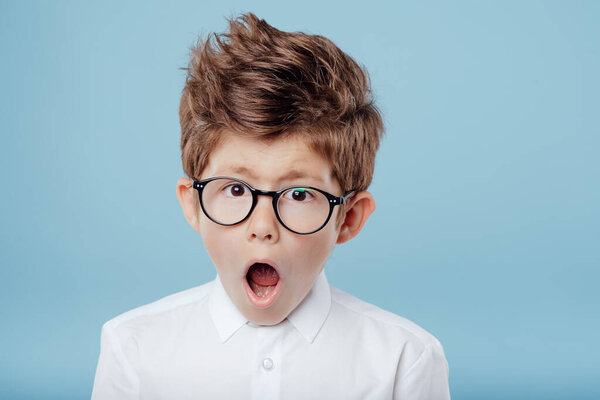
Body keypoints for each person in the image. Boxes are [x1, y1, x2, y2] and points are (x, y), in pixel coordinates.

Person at [91, 12, 450, 399]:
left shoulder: (404, 359)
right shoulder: (133, 348)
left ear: (348, 218)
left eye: (298, 195)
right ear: (193, 204)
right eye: (235, 190)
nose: (263, 226)